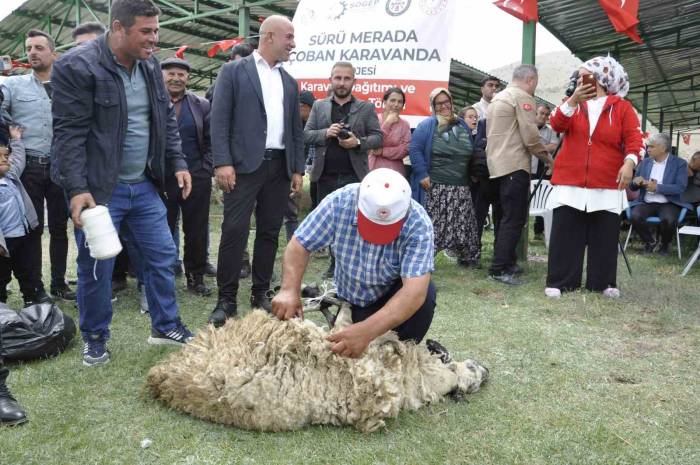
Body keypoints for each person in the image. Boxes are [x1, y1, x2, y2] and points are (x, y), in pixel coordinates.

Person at [51, 0, 196, 366]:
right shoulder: (77, 66)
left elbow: (164, 119)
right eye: (145, 31)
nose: (154, 39)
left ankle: (165, 326)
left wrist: (177, 161)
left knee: (163, 257)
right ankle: (96, 338)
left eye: (156, 31)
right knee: (97, 265)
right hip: (100, 190)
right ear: (118, 28)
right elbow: (68, 135)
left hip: (144, 184)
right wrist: (77, 189)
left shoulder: (148, 65)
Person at [271, 168, 435, 358]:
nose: (376, 237)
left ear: (403, 214)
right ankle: (359, 323)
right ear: (359, 205)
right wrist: (289, 289)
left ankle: (402, 351)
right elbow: (299, 244)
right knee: (353, 352)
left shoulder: (418, 223)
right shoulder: (341, 202)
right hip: (353, 296)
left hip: (389, 297)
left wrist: (366, 330)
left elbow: (414, 293)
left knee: (425, 296)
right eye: (372, 225)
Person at [208, 15, 305, 326]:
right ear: (269, 37)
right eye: (289, 37)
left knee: (268, 232)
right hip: (243, 167)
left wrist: (297, 168)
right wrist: (222, 162)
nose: (293, 43)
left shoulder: (289, 82)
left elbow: (295, 130)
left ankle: (261, 292)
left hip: (279, 166)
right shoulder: (233, 71)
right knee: (234, 231)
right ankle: (226, 299)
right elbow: (219, 120)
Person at [545, 56, 643, 298]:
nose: (578, 79)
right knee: (565, 233)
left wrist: (630, 163)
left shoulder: (622, 108)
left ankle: (603, 282)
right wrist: (572, 100)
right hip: (571, 181)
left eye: (584, 74)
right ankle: (560, 281)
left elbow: (635, 140)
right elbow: (556, 124)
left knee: (604, 235)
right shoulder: (571, 103)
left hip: (606, 182)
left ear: (601, 78)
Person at [1, 29, 75, 304]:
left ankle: (59, 283)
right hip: (27, 168)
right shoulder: (14, 85)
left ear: (53, 54)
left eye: (39, 47)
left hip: (61, 166)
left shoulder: (69, 87)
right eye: (29, 47)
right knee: (30, 229)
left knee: (59, 227)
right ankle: (33, 288)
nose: (32, 52)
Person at [304, 61, 383, 278]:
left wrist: (357, 142)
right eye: (337, 78)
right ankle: (334, 263)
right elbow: (306, 134)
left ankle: (354, 264)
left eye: (346, 78)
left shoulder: (365, 108)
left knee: (356, 221)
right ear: (330, 80)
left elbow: (378, 137)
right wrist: (326, 133)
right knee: (331, 223)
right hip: (325, 175)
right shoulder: (319, 106)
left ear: (354, 82)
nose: (341, 82)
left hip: (354, 175)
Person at [485, 65, 551, 285]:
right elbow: (531, 136)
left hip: (496, 165)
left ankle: (508, 261)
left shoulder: (498, 97)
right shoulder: (522, 97)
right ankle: (499, 268)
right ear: (531, 80)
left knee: (503, 217)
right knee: (514, 219)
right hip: (514, 164)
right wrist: (549, 160)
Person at [409, 88, 480, 267]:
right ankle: (424, 259)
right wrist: (422, 174)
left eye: (446, 102)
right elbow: (415, 150)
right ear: (433, 106)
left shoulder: (461, 124)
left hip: (461, 184)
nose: (444, 106)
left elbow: (469, 148)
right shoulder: (427, 125)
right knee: (434, 224)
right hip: (436, 184)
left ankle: (466, 257)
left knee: (463, 221)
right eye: (439, 103)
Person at [160, 57, 213, 295]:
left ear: (187, 79)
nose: (176, 78)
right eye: (171, 73)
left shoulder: (201, 105)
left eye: (181, 75)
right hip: (163, 178)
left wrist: (205, 168)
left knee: (197, 229)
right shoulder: (153, 102)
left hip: (197, 177)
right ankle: (162, 276)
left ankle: (196, 277)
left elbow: (212, 140)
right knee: (161, 228)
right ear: (161, 76)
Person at [206, 41, 254, 279]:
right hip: (229, 162)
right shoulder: (221, 85)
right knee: (234, 219)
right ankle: (239, 261)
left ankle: (245, 262)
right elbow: (216, 125)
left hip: (254, 160)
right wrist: (220, 162)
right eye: (239, 63)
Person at [629, 133, 690, 255]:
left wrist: (658, 188)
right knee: (635, 216)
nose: (648, 149)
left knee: (668, 219)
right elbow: (632, 186)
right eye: (648, 146)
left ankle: (664, 245)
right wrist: (636, 182)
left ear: (663, 148)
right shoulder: (645, 162)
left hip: (668, 203)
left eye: (651, 146)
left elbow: (680, 187)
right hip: (647, 201)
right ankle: (650, 242)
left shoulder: (680, 163)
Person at [0, 122, 39, 306]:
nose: (5, 160)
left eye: (5, 156)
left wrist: (16, 140)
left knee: (27, 271)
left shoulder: (11, 176)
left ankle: (31, 300)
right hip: (3, 244)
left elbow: (18, 159)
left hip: (22, 237)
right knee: (1, 276)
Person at [368, 87, 411, 177]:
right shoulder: (373, 119)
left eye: (400, 102)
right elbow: (372, 144)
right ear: (384, 102)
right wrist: (387, 123)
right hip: (373, 170)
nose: (396, 104)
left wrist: (382, 152)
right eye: (392, 100)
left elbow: (405, 149)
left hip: (395, 172)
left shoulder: (405, 124)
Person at [532, 104, 560, 238]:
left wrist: (535, 146)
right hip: (527, 167)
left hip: (543, 167)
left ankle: (539, 230)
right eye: (541, 113)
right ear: (535, 113)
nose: (544, 116)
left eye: (546, 114)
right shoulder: (528, 128)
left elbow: (554, 146)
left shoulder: (551, 130)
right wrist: (544, 147)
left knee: (542, 198)